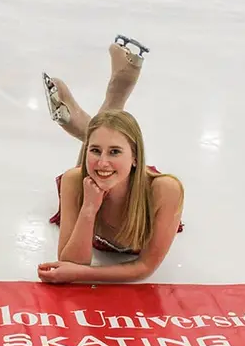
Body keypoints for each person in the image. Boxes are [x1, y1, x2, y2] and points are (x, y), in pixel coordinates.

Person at [37, 35, 184, 284]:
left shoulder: (164, 190)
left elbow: (146, 266)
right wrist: (89, 208)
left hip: (135, 179)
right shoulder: (75, 179)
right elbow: (70, 260)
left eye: (115, 152)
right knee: (100, 147)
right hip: (112, 177)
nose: (102, 162)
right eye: (94, 151)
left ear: (136, 156)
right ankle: (117, 91)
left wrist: (84, 274)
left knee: (104, 139)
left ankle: (113, 94)